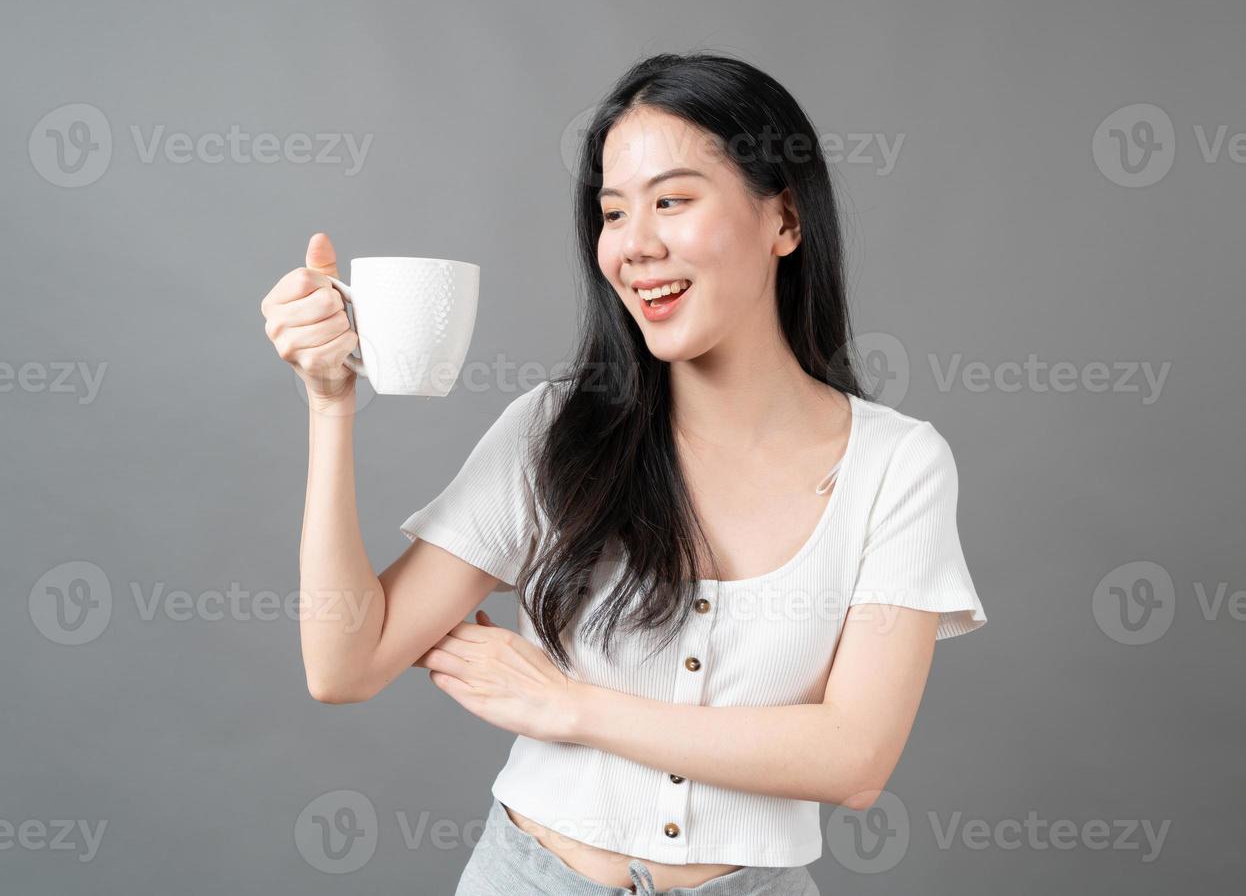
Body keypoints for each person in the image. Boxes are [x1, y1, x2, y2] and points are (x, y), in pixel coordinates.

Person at [259, 52, 987, 895]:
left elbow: (855, 758)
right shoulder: (555, 432)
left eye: (672, 201)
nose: (633, 246)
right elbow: (344, 664)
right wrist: (328, 403)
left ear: (784, 219)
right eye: (612, 213)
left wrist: (573, 708)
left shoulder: (897, 464)